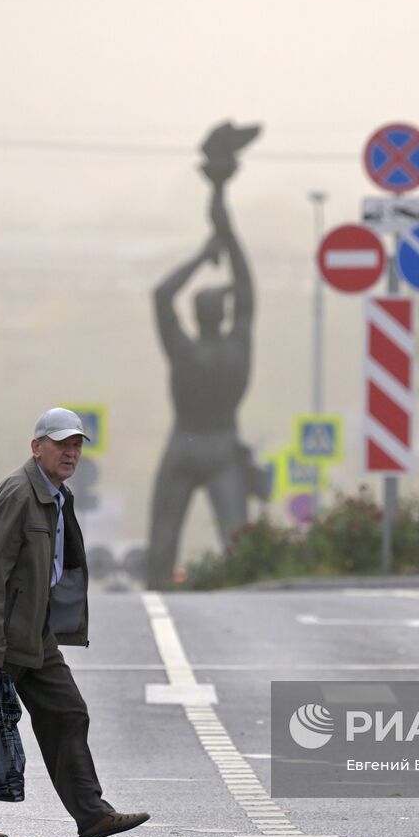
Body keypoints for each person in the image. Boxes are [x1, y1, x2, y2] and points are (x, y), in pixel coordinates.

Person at [0, 408, 149, 837]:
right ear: (37, 447)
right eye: (61, 444)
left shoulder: (57, 494)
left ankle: (92, 815)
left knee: (67, 712)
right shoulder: (19, 494)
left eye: (76, 445)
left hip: (36, 632)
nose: (71, 452)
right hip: (3, 635)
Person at [146, 121, 264, 587]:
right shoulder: (238, 345)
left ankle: (155, 590)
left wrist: (202, 253)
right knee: (237, 541)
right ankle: (240, 583)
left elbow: (160, 295)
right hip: (219, 447)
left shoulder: (184, 351)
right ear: (226, 310)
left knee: (162, 543)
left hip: (183, 445)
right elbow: (248, 284)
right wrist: (225, 229)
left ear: (195, 312)